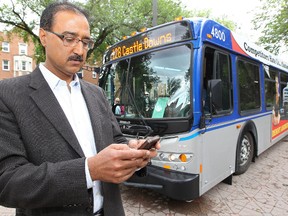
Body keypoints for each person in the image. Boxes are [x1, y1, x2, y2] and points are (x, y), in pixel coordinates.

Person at [0, 2, 159, 216]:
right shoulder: (8, 94)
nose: (79, 50)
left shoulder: (97, 94)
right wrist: (89, 170)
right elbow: (8, 181)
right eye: (69, 38)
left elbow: (115, 141)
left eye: (85, 42)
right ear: (43, 36)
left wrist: (133, 149)